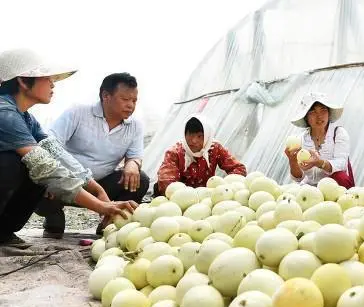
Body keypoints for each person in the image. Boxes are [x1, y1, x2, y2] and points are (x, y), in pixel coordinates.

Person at [0, 48, 136, 244]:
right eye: (47, 78)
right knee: (18, 163)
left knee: (40, 161)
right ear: (23, 81)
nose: (53, 84)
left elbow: (56, 154)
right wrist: (99, 206)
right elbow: (44, 166)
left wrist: (97, 189)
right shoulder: (5, 113)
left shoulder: (26, 119)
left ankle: (3, 232)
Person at [36, 72, 148, 237]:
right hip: (66, 182)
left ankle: (111, 220)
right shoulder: (78, 112)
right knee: (38, 180)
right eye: (125, 99)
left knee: (140, 179)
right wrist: (52, 177)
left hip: (102, 185)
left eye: (134, 100)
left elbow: (135, 155)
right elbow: (50, 145)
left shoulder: (135, 126)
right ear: (106, 96)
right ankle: (53, 216)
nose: (131, 105)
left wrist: (133, 164)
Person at [155, 113, 247, 196]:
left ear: (207, 136)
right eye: (190, 135)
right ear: (184, 134)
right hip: (182, 198)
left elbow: (238, 168)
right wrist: (186, 197)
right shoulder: (175, 153)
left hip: (207, 196)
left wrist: (225, 188)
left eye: (200, 136)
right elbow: (167, 182)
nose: (194, 141)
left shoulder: (214, 148)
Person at [284, 92, 355, 188]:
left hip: (334, 187)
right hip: (311, 190)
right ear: (306, 117)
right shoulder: (300, 140)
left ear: (329, 113)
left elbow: (341, 163)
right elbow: (299, 178)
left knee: (340, 176)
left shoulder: (338, 133)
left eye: (323, 110)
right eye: (313, 112)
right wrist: (292, 161)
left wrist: (319, 162)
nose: (319, 116)